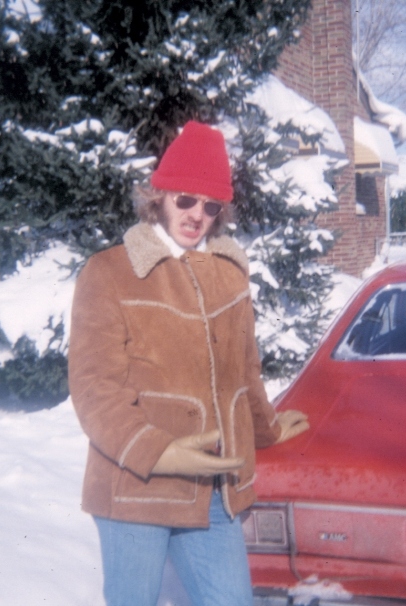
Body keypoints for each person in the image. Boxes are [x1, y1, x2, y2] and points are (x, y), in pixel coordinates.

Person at [68, 121, 309, 606]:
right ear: (158, 195)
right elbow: (95, 388)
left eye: (211, 205)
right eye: (186, 199)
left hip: (210, 486)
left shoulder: (229, 275)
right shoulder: (110, 272)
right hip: (134, 486)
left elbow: (244, 372)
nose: (197, 215)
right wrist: (155, 451)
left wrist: (266, 427)